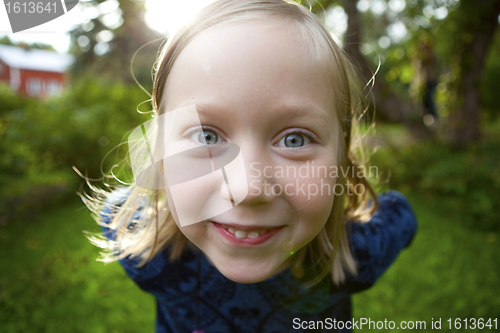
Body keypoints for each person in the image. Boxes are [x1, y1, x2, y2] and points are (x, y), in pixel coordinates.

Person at [82, 1, 417, 332]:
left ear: (340, 155)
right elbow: (401, 214)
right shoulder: (146, 252)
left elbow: (400, 216)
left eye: (294, 140)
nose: (248, 189)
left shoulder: (358, 255)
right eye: (207, 135)